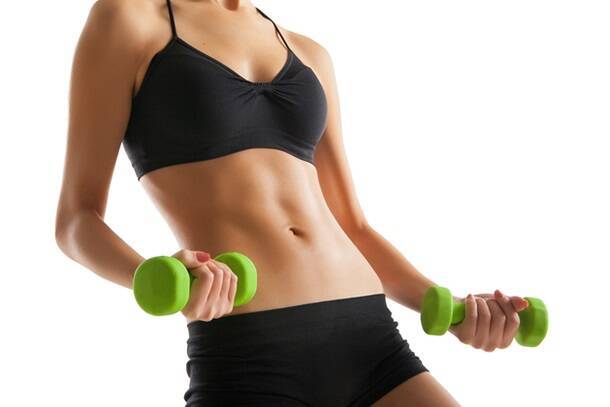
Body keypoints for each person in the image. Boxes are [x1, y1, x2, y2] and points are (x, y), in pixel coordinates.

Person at [55, 0, 529, 405]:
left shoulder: (309, 53)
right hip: (251, 355)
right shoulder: (130, 19)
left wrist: (451, 310)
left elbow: (353, 227)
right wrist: (152, 275)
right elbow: (76, 220)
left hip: (371, 340)